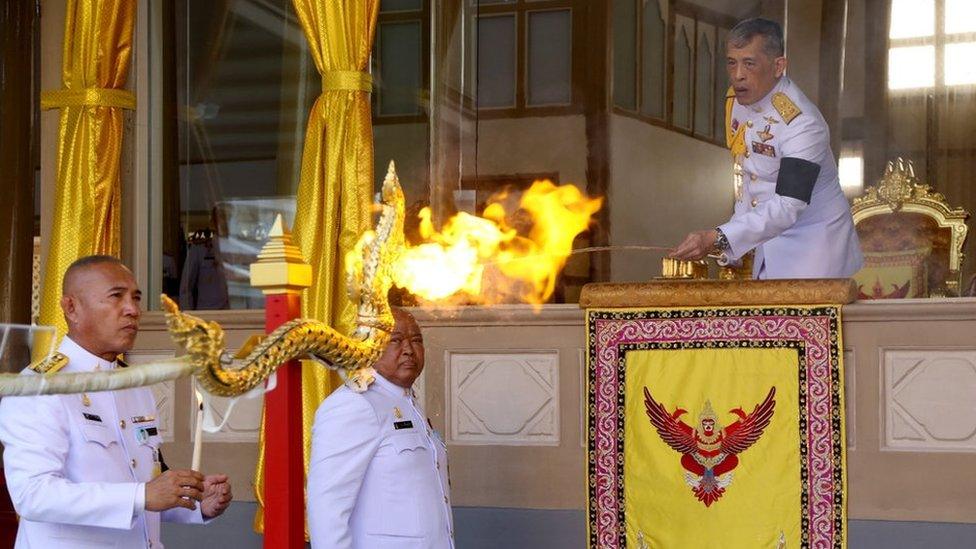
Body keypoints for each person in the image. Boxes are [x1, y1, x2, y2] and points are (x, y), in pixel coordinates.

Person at [0, 255, 233, 548]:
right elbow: (33, 495)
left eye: (136, 299)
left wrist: (195, 501)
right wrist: (142, 495)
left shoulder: (134, 383)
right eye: (116, 297)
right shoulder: (39, 387)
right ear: (71, 308)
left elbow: (145, 484)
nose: (132, 310)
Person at [670, 17, 862, 279]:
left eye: (749, 63)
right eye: (731, 62)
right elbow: (750, 180)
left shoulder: (802, 123)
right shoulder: (739, 102)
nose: (738, 75)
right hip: (767, 245)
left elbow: (788, 204)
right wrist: (733, 246)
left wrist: (720, 237)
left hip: (816, 250)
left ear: (778, 66)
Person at [307, 309, 453, 549]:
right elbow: (327, 508)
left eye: (416, 341)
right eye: (395, 340)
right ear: (369, 346)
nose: (408, 350)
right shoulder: (355, 404)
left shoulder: (406, 401)